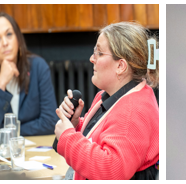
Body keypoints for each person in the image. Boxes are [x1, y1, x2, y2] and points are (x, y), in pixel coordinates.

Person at [52, 22, 159, 180]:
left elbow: (111, 171)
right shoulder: (111, 95)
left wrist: (68, 137)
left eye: (99, 53)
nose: (91, 59)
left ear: (120, 66)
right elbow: (105, 138)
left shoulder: (133, 111)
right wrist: (75, 125)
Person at [0, 12, 58, 137]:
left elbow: (50, 122)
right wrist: (1, 83)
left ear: (18, 37)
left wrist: (11, 132)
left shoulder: (38, 67)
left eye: (9, 34)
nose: (5, 42)